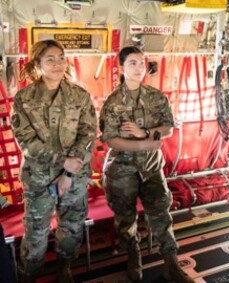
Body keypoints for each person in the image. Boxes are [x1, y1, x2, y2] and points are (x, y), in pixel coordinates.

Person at [99, 46, 195, 283]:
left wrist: (145, 132)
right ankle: (133, 255)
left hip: (151, 168)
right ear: (122, 67)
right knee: (125, 218)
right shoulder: (112, 102)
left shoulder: (156, 96)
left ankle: (171, 263)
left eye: (142, 62)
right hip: (122, 170)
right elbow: (111, 139)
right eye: (132, 62)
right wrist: (143, 145)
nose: (139, 67)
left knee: (161, 214)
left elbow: (168, 128)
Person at [11, 39, 97, 283]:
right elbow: (26, 141)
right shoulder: (24, 98)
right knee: (36, 233)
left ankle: (64, 268)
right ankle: (29, 274)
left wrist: (69, 172)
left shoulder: (79, 95)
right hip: (39, 178)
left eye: (61, 57)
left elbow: (88, 133)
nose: (58, 63)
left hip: (75, 177)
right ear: (37, 64)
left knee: (71, 228)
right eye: (50, 58)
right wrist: (64, 162)